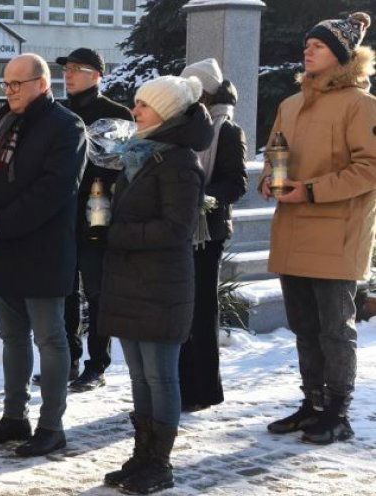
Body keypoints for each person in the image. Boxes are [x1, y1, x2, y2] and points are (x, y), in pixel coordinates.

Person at [261, 12, 375, 445]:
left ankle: (338, 412)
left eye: (319, 45)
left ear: (343, 56)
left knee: (335, 329)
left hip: (337, 231)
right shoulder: (290, 104)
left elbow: (370, 168)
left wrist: (309, 191)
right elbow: (276, 153)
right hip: (293, 227)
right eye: (308, 43)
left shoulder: (362, 106)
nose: (308, 49)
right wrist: (269, 180)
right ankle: (312, 404)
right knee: (304, 326)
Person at [0, 53, 87, 457]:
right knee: (12, 337)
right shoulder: (1, 121)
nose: (9, 91)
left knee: (50, 339)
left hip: (42, 249)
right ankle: (14, 416)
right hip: (1, 246)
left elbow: (54, 190)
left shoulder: (66, 126)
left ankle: (51, 425)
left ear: (42, 83)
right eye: (5, 84)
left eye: (16, 84)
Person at [99, 75, 212, 494]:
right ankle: (141, 455)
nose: (135, 111)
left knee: (160, 377)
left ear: (164, 112)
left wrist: (115, 233)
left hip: (162, 285)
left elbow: (176, 229)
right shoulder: (141, 155)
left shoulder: (179, 161)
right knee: (139, 377)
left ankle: (160, 462)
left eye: (143, 105)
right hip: (131, 282)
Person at [57, 47, 133, 393]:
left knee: (97, 290)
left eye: (77, 69)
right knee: (64, 290)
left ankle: (97, 363)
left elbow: (124, 166)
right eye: (66, 69)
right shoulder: (58, 112)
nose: (68, 74)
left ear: (97, 75)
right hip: (61, 211)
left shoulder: (116, 114)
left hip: (99, 209)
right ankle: (68, 359)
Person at [177, 58, 248, 413]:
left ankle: (204, 390)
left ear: (205, 91)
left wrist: (206, 198)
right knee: (180, 309)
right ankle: (179, 384)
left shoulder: (227, 130)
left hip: (208, 231)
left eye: (192, 87)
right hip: (180, 228)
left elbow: (237, 183)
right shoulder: (185, 124)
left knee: (202, 310)